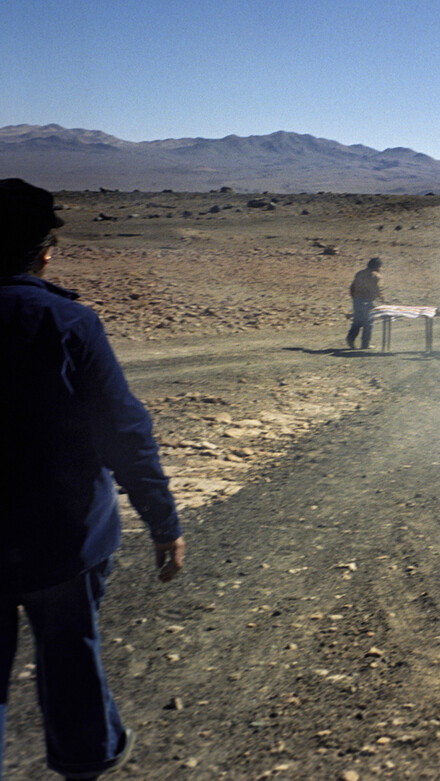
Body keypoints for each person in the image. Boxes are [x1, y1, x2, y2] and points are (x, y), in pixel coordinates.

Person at [1, 178, 186, 780]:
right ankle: (85, 760)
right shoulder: (69, 323)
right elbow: (123, 430)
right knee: (70, 653)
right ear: (45, 251)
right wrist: (163, 521)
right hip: (63, 539)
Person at [346, 256, 384, 349]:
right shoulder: (375, 276)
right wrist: (382, 297)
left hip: (357, 300)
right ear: (378, 266)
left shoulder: (359, 273)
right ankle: (365, 344)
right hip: (368, 301)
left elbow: (352, 287)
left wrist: (354, 298)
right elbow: (377, 289)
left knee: (357, 321)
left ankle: (351, 338)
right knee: (369, 323)